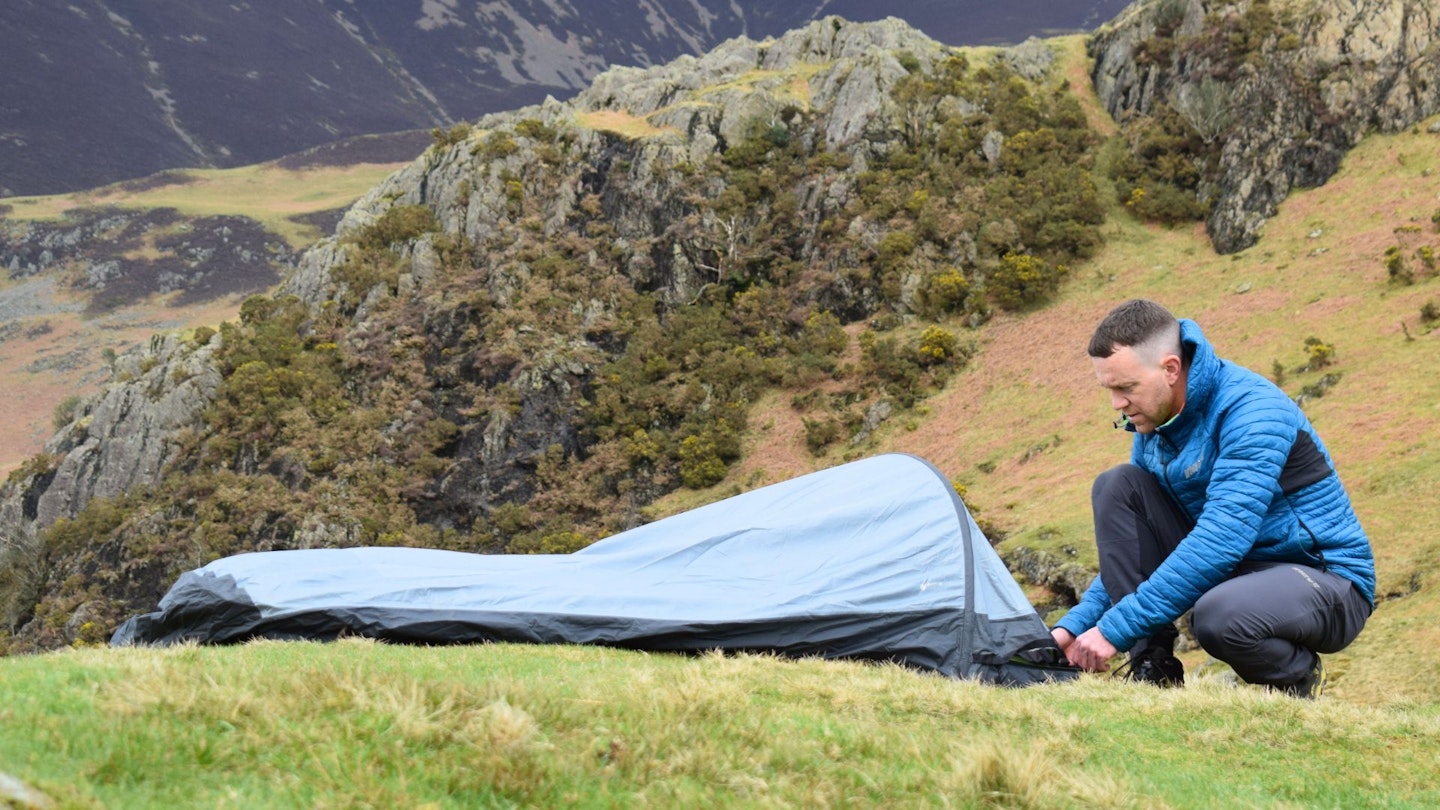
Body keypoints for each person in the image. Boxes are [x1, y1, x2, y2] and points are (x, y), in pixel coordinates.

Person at [1050, 299, 1375, 697]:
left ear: (1170, 368)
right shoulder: (1157, 426)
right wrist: (1075, 625)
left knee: (1221, 616)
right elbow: (1135, 549)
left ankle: (1298, 680)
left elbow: (1221, 540)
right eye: (1109, 389)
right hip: (1237, 570)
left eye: (1126, 388)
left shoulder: (1252, 411)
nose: (1117, 404)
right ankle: (1153, 668)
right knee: (1117, 485)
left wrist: (1112, 631)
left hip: (1324, 580)